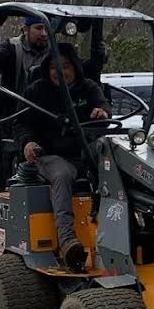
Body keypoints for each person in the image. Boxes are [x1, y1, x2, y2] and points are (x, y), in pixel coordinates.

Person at [15, 43, 109, 272]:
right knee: (62, 174)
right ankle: (67, 240)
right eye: (53, 67)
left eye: (65, 66)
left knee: (116, 164)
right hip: (49, 155)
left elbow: (104, 107)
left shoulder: (88, 88)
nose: (59, 71)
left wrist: (102, 113)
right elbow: (21, 124)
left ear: (75, 67)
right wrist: (27, 143)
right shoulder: (37, 91)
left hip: (84, 152)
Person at [0, 17, 107, 94]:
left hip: (51, 111)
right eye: (39, 28)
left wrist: (98, 57)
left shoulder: (56, 50)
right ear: (26, 29)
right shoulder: (12, 48)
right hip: (18, 112)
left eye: (47, 29)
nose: (44, 34)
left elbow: (78, 68)